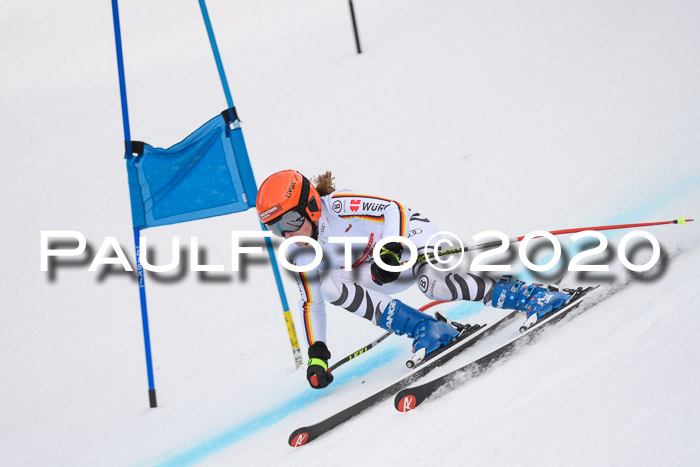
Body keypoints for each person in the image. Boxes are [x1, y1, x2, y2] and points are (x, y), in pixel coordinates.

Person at [256, 170, 572, 389]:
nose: (286, 233)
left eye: (291, 220)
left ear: (310, 207)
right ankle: (429, 330)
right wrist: (317, 352)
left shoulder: (338, 206)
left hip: (409, 236)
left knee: (434, 284)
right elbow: (311, 303)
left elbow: (393, 209)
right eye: (275, 227)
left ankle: (533, 296)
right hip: (378, 270)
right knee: (327, 285)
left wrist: (391, 248)